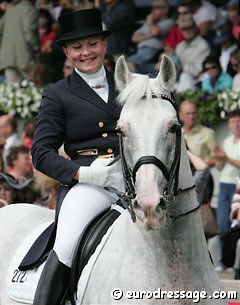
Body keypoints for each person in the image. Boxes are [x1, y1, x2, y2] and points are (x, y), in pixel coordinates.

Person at [30, 8, 124, 305]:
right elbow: (41, 153)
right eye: (77, 46)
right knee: (68, 243)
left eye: (93, 43)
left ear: (105, 44)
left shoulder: (128, 84)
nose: (87, 52)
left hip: (136, 178)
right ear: (66, 52)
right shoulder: (58, 93)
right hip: (90, 185)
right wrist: (82, 174)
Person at [212, 109, 240, 271]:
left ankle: (231, 262)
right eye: (233, 121)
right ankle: (224, 261)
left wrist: (226, 158)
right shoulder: (226, 141)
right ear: (229, 124)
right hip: (224, 185)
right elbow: (220, 166)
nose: (236, 125)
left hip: (238, 187)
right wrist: (218, 158)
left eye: (239, 121)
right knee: (223, 224)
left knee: (236, 224)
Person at [127, 0, 175, 74]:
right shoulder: (149, 23)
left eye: (157, 8)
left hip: (153, 51)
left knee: (128, 63)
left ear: (166, 9)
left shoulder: (169, 22)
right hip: (140, 52)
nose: (153, 11)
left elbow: (155, 32)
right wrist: (149, 35)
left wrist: (150, 22)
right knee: (127, 63)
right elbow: (134, 38)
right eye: (152, 8)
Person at [0, 0, 40, 83]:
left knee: (12, 91)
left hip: (7, 57)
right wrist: (36, 47)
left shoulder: (9, 11)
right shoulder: (29, 9)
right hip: (24, 54)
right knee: (31, 87)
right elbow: (29, 31)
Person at [175, 15, 210, 92]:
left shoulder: (202, 45)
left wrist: (180, 69)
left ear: (195, 28)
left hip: (198, 81)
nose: (186, 31)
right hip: (180, 81)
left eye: (189, 28)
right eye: (184, 29)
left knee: (185, 77)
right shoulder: (179, 46)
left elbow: (198, 71)